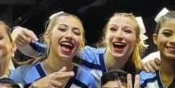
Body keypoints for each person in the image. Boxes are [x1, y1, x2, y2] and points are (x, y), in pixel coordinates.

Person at [14, 13, 145, 79]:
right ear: (106, 36)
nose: (119, 35)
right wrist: (15, 31)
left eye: (127, 31)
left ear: (137, 40)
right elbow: (41, 50)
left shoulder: (140, 71)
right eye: (113, 29)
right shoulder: (85, 56)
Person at [11, 12, 99, 88]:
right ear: (47, 36)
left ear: (81, 44)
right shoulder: (21, 74)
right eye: (62, 29)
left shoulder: (87, 81)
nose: (69, 35)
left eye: (76, 33)